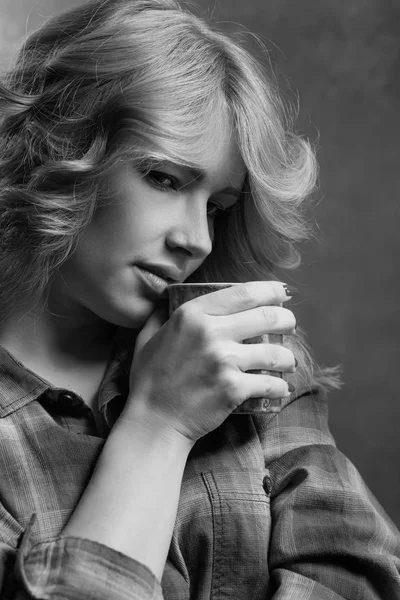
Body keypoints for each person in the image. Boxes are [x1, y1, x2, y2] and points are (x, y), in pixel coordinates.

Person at [0, 0, 399, 598]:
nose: (197, 239)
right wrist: (160, 422)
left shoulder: (243, 358)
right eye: (164, 179)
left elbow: (356, 575)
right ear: (55, 149)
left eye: (218, 206)